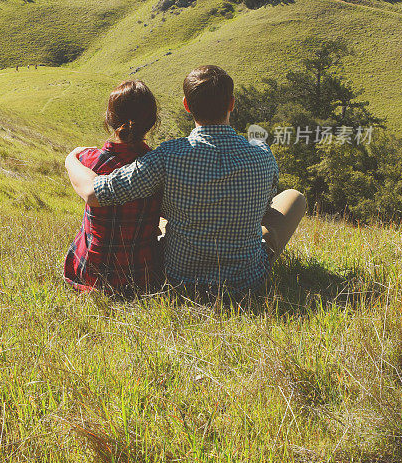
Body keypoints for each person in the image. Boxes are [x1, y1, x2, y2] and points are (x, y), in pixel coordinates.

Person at [65, 65, 306, 300]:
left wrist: (71, 159)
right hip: (246, 281)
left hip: (180, 280)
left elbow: (96, 193)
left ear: (186, 106)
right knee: (294, 198)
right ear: (231, 103)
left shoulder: (169, 155)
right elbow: (264, 209)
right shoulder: (261, 153)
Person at [63, 80, 163, 295]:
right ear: (152, 122)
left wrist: (71, 156)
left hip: (92, 272)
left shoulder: (89, 160)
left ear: (109, 119)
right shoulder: (157, 166)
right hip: (141, 274)